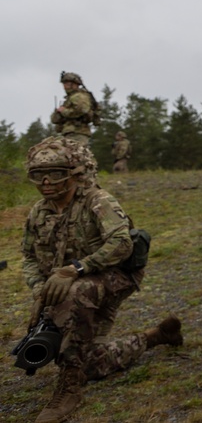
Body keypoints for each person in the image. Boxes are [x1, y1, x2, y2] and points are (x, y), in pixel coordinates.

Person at [20, 136, 183, 423]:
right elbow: (29, 258)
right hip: (70, 284)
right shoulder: (38, 212)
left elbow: (121, 244)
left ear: (73, 173)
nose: (46, 181)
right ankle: (155, 337)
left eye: (55, 174)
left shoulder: (98, 200)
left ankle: (68, 389)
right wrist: (39, 291)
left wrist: (76, 269)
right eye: (37, 175)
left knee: (75, 294)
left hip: (114, 276)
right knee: (91, 361)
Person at [50, 72, 99, 147]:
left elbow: (82, 110)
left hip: (78, 132)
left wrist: (63, 111)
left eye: (68, 84)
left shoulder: (79, 96)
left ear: (75, 84)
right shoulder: (71, 98)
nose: (65, 87)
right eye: (64, 84)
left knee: (76, 155)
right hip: (70, 133)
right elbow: (55, 120)